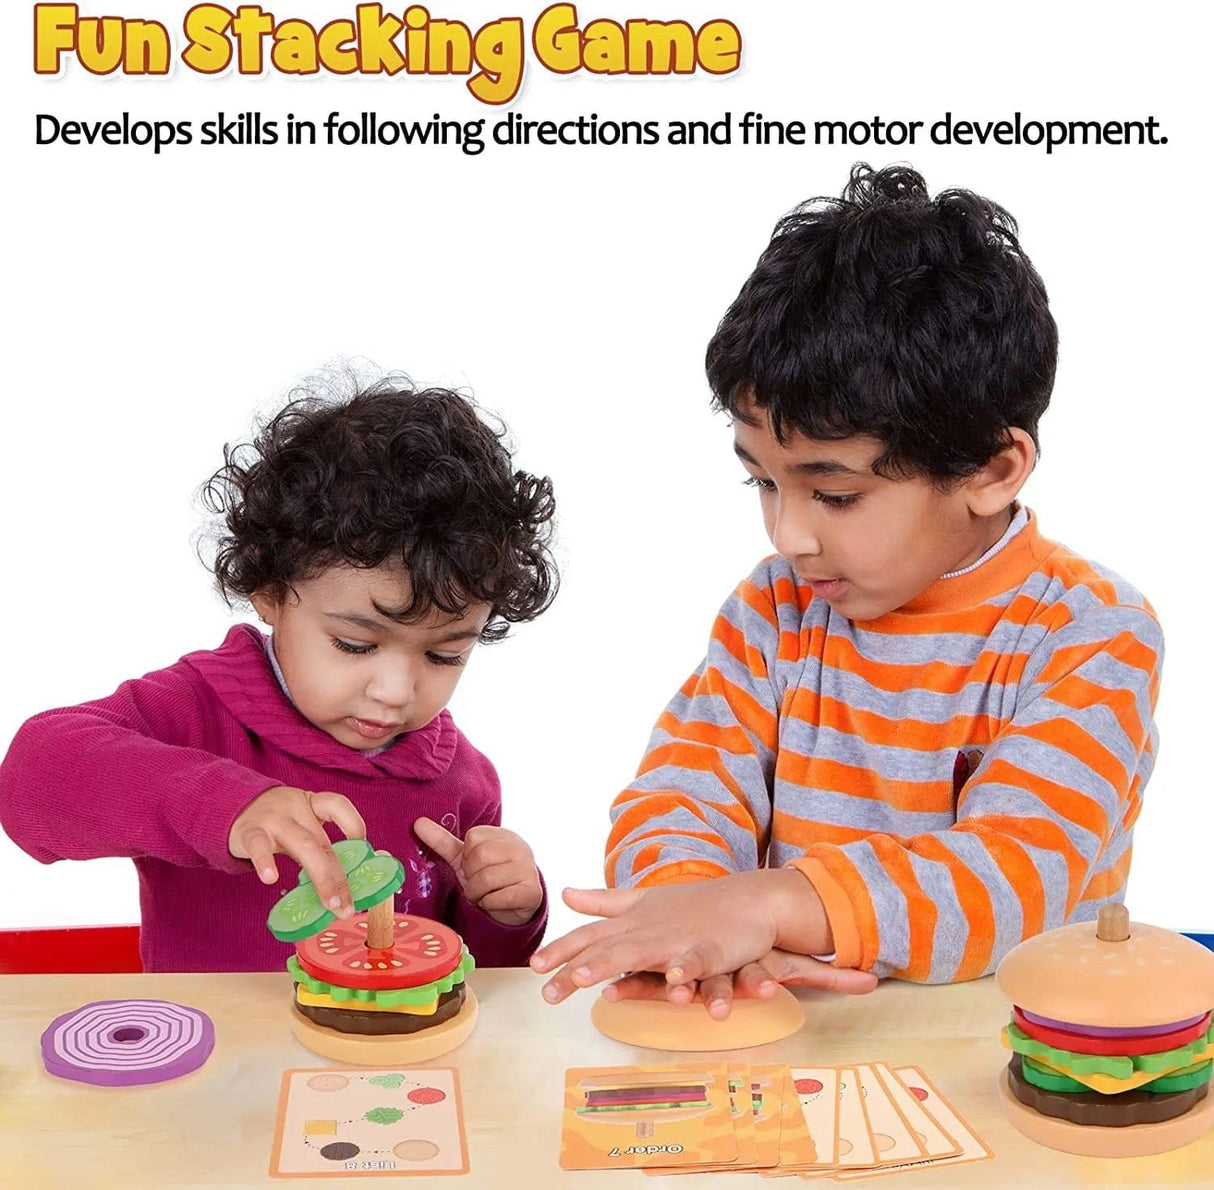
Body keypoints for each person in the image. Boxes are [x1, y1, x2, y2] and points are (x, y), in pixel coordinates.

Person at [531, 163, 1163, 1018]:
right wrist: (691, 917)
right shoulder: (776, 610)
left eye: (834, 494)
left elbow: (1012, 875)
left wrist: (763, 905)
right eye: (762, 482)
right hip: (791, 1039)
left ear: (991, 469)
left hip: (998, 1055)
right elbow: (681, 789)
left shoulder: (1090, 631)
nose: (790, 536)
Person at [0, 375, 559, 972]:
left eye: (444, 655)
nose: (396, 692)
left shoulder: (465, 783)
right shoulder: (194, 710)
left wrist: (503, 914)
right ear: (268, 593)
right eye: (354, 644)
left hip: (387, 1065)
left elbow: (467, 978)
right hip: (217, 1059)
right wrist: (227, 805)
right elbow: (31, 781)